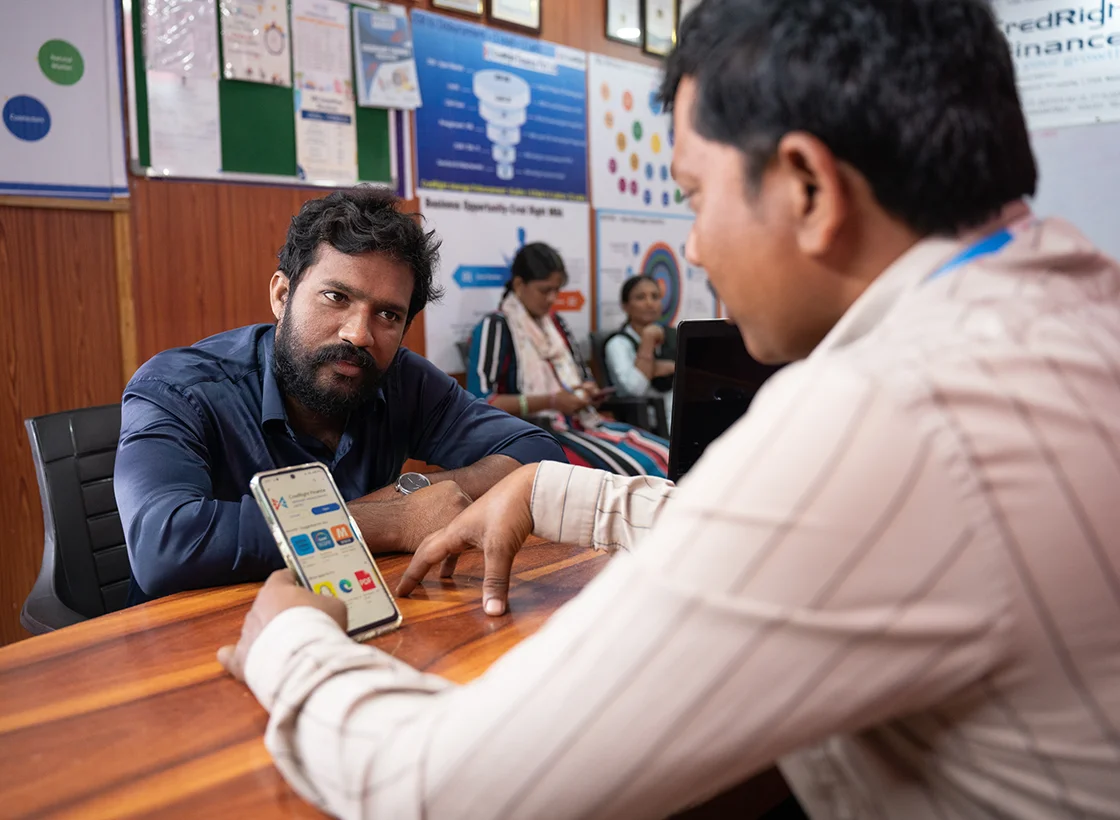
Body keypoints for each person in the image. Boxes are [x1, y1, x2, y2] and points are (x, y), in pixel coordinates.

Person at [218, 1, 1120, 817]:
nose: (692, 243)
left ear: (807, 187)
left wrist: (292, 643)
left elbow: (447, 790)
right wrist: (549, 488)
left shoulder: (895, 411)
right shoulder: (1063, 306)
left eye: (694, 194)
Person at [115, 187, 564, 601]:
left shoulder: (403, 379)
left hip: (354, 612)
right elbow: (163, 545)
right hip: (198, 637)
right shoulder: (177, 386)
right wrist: (393, 518)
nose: (358, 334)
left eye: (388, 314)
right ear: (282, 294)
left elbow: (537, 453)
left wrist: (419, 486)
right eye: (335, 297)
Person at [466, 242, 669, 477]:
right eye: (544, 290)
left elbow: (583, 376)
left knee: (664, 454)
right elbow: (481, 403)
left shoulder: (556, 324)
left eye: (557, 290)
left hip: (580, 423)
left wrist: (587, 390)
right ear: (519, 284)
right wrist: (550, 401)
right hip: (532, 434)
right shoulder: (496, 327)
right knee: (636, 473)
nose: (552, 298)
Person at [604, 274, 676, 429]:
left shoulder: (673, 336)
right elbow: (636, 389)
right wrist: (648, 340)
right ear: (625, 305)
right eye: (640, 298)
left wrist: (670, 367)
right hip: (648, 424)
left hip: (680, 416)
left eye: (655, 297)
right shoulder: (618, 344)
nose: (650, 303)